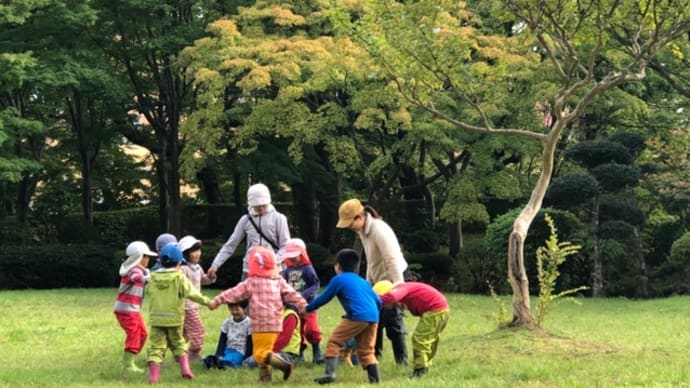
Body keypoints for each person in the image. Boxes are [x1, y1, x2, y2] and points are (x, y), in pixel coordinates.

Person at [208, 246, 307, 382]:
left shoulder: (252, 282)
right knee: (266, 350)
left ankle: (284, 366)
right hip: (276, 324)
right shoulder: (278, 280)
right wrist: (303, 305)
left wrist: (217, 301)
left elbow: (234, 293)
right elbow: (292, 293)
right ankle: (264, 379)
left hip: (260, 324)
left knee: (260, 353)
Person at [336, 198, 410, 365]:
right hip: (379, 281)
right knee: (374, 320)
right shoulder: (363, 231)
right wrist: (368, 284)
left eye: (349, 223)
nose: (349, 227)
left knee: (393, 321)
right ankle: (374, 357)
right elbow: (371, 260)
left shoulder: (378, 230)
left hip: (395, 277)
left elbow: (391, 258)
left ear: (359, 217)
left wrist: (398, 284)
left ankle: (402, 361)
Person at [301, 248, 382, 384]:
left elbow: (324, 298)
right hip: (373, 317)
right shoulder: (363, 281)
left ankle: (329, 375)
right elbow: (379, 301)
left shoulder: (338, 279)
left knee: (334, 342)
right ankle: (375, 381)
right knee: (367, 350)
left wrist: (307, 309)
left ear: (338, 266)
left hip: (357, 316)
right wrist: (372, 316)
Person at [145, 243, 212, 384]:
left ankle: (153, 377)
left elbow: (149, 292)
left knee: (156, 347)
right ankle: (186, 370)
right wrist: (207, 302)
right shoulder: (179, 277)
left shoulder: (152, 277)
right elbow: (192, 293)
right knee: (179, 343)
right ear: (180, 262)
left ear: (160, 261)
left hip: (156, 319)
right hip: (174, 319)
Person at [207, 183, 290, 281]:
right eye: (257, 205)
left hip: (274, 270)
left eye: (263, 205)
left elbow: (285, 246)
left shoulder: (279, 218)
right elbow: (231, 244)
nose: (261, 208)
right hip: (250, 269)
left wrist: (272, 261)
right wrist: (215, 265)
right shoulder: (245, 220)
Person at [373, 281, 450, 378]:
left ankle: (420, 370)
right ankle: (425, 365)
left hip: (435, 310)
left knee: (419, 339)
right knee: (429, 339)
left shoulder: (400, 289)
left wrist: (374, 299)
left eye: (383, 305)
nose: (384, 307)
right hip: (441, 309)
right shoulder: (404, 289)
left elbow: (391, 297)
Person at [114, 241, 157, 373]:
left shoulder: (142, 270)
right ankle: (127, 364)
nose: (148, 259)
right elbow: (135, 277)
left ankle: (131, 358)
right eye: (146, 256)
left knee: (143, 333)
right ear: (139, 257)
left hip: (133, 310)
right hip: (126, 310)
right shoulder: (134, 269)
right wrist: (146, 278)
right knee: (134, 334)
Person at [281, 238, 324, 364]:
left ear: (302, 254)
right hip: (294, 307)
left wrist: (303, 295)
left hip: (309, 306)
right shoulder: (287, 270)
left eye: (295, 257)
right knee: (297, 331)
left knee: (311, 329)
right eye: (290, 257)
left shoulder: (307, 269)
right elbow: (283, 285)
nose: (292, 260)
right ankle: (300, 354)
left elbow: (315, 285)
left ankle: (317, 350)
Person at [179, 235, 215, 361]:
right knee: (198, 330)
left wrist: (210, 277)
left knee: (184, 334)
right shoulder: (182, 269)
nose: (197, 254)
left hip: (193, 305)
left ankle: (179, 354)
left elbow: (202, 280)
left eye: (198, 250)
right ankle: (193, 353)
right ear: (185, 253)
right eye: (193, 251)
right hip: (187, 306)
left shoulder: (197, 267)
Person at [243, 304, 302, 368]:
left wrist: (267, 351)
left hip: (287, 354)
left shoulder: (290, 315)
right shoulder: (273, 314)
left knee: (250, 362)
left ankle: (285, 366)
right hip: (273, 351)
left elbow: (284, 340)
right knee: (252, 360)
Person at [203, 300, 252, 370]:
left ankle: (223, 364)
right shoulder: (227, 322)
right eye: (232, 310)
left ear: (244, 308)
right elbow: (222, 340)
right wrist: (219, 354)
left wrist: (246, 359)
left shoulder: (249, 324)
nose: (234, 312)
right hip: (228, 349)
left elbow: (250, 343)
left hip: (240, 352)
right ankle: (214, 362)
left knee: (228, 360)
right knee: (215, 358)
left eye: (237, 309)